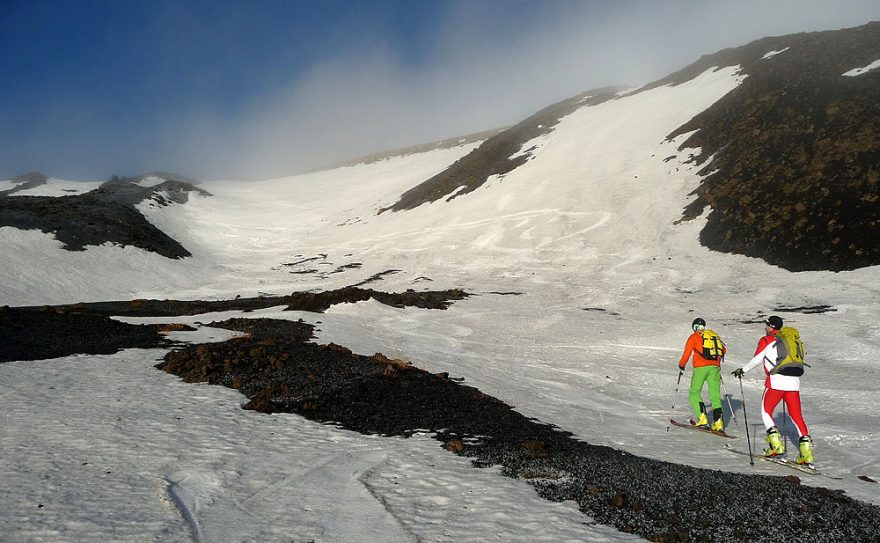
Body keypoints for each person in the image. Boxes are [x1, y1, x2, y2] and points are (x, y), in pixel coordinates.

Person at [732, 315, 813, 464]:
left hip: (776, 382)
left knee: (766, 411)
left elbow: (757, 359)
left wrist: (742, 370)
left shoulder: (767, 340)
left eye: (766, 325)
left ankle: (776, 446)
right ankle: (806, 453)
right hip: (794, 383)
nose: (765, 327)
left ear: (770, 327)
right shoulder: (790, 341)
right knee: (796, 416)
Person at [677, 317, 726, 431]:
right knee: (715, 395)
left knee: (694, 393)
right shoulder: (712, 336)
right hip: (714, 368)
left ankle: (702, 418)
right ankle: (718, 422)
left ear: (694, 327)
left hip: (700, 368)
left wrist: (681, 365)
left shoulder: (694, 337)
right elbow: (723, 350)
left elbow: (687, 353)